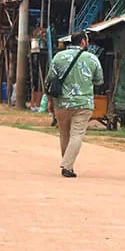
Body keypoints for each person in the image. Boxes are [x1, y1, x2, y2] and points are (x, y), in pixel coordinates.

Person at [45, 31, 103, 178]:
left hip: (62, 103)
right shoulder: (92, 58)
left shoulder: (58, 57)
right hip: (84, 103)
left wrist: (50, 101)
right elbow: (99, 80)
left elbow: (49, 80)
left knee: (64, 135)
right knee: (76, 135)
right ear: (83, 42)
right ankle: (67, 165)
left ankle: (68, 166)